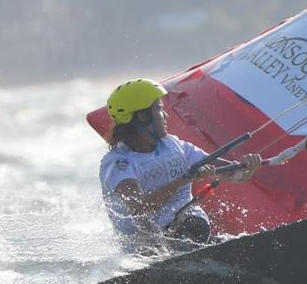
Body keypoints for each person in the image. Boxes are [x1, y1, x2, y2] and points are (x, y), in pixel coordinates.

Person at [99, 78, 262, 251]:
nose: (166, 116)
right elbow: (138, 208)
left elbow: (235, 175)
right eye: (160, 109)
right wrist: (183, 179)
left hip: (189, 234)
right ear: (142, 117)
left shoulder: (175, 145)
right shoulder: (118, 163)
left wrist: (247, 167)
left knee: (196, 226)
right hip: (147, 253)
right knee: (191, 227)